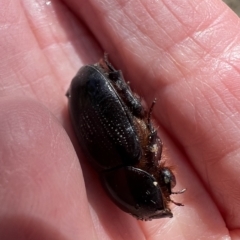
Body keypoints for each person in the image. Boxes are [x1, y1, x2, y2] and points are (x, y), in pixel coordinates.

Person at [0, 0, 238, 239]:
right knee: (139, 117)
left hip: (93, 92)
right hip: (91, 91)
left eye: (164, 184)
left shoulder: (132, 154)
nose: (167, 180)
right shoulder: (122, 166)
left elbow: (142, 121)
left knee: (139, 116)